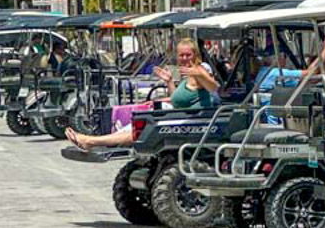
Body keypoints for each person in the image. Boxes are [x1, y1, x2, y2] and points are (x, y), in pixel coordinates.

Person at [65, 38, 220, 151]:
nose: (185, 59)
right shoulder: (187, 74)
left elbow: (213, 87)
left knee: (143, 128)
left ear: (196, 55)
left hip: (194, 121)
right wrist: (169, 82)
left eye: (188, 55)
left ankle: (91, 141)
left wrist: (199, 74)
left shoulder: (200, 69)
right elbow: (177, 100)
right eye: (182, 55)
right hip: (179, 115)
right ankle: (96, 140)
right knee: (136, 120)